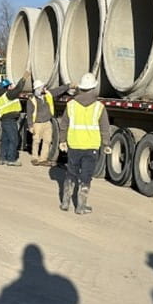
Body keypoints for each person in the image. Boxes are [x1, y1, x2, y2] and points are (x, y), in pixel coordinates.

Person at [57, 72, 111, 214]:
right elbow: (104, 128)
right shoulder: (99, 107)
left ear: (80, 88)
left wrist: (62, 140)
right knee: (86, 176)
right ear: (93, 88)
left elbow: (64, 125)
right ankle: (81, 206)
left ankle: (65, 202)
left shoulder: (71, 105)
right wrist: (106, 144)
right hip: (91, 147)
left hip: (74, 145)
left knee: (71, 173)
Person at [26, 78, 69, 166]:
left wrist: (68, 86)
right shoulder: (31, 100)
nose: (44, 88)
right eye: (42, 87)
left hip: (47, 122)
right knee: (36, 141)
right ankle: (35, 158)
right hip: (37, 123)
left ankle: (43, 159)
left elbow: (58, 90)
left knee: (47, 141)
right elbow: (29, 113)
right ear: (37, 89)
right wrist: (30, 125)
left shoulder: (48, 95)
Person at [0, 71, 29, 166]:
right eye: (10, 86)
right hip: (10, 120)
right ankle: (11, 159)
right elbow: (18, 89)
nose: (11, 87)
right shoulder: (8, 95)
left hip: (4, 120)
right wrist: (23, 79)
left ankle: (2, 158)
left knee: (5, 140)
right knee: (14, 139)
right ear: (8, 87)